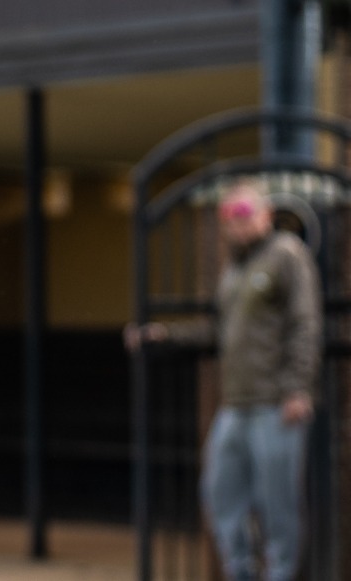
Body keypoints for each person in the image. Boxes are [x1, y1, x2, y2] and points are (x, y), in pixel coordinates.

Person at [127, 179, 321, 581]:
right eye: (229, 216)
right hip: (235, 404)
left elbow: (306, 324)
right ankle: (242, 572)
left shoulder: (287, 254)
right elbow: (218, 332)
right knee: (219, 493)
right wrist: (164, 335)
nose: (237, 222)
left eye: (245, 213)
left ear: (266, 213)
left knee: (278, 503)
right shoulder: (235, 269)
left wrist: (298, 387)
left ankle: (281, 574)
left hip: (275, 403)